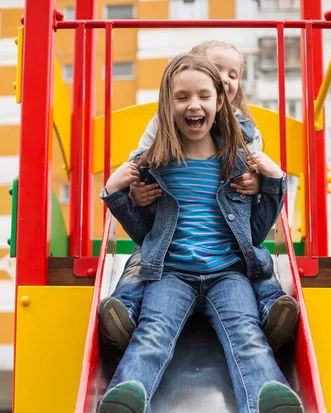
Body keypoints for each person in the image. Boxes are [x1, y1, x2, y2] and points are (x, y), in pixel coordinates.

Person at [89, 53, 306, 413]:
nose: (194, 105)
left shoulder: (238, 162)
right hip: (171, 274)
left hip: (229, 275)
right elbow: (144, 232)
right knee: (152, 335)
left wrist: (275, 183)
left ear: (220, 102)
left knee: (247, 338)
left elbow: (258, 230)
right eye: (182, 97)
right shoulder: (155, 165)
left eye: (204, 95)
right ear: (167, 106)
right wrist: (117, 195)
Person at [98, 41, 298, 355]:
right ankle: (125, 313)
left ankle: (271, 312)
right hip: (171, 240)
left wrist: (259, 182)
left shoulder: (244, 130)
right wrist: (134, 190)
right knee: (144, 258)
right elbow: (142, 160)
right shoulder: (165, 122)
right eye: (218, 71)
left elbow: (256, 161)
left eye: (234, 74)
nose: (226, 79)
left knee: (253, 261)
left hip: (226, 244)